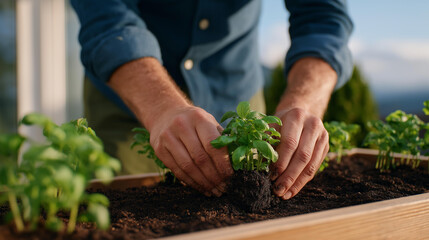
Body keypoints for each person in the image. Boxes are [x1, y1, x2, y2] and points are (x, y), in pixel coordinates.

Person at [71, 0, 353, 200]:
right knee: (124, 202)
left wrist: (304, 102)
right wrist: (159, 106)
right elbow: (106, 14)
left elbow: (322, 16)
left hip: (236, 92)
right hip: (133, 93)